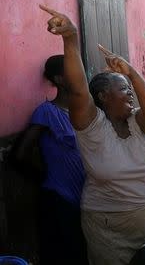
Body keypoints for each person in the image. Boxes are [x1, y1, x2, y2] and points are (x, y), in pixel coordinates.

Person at [39, 5, 145, 265]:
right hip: (105, 224)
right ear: (103, 97)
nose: (130, 92)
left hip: (144, 220)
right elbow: (77, 90)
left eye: (130, 88)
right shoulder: (92, 127)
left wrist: (130, 72)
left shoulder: (138, 123)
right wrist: (70, 38)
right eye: (123, 88)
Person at [12, 55, 88, 265]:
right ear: (60, 80)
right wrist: (43, 177)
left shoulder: (85, 112)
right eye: (73, 72)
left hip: (87, 198)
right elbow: (19, 155)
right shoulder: (47, 112)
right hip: (59, 199)